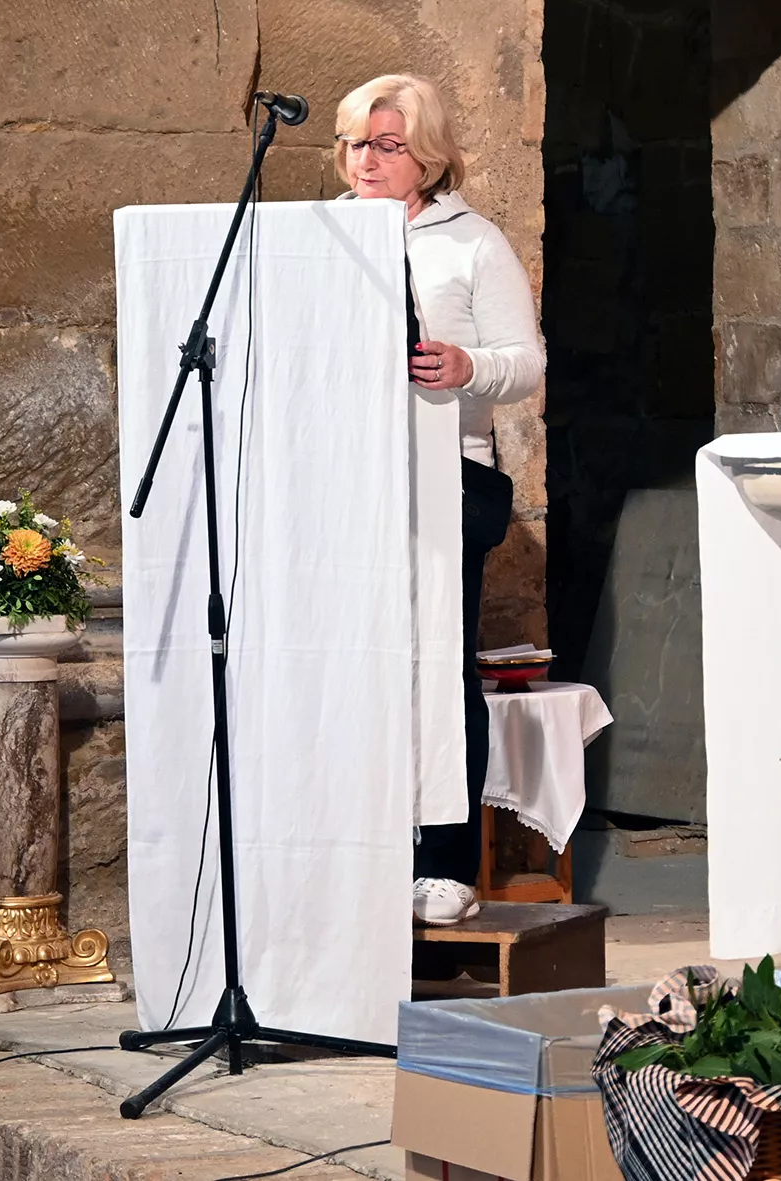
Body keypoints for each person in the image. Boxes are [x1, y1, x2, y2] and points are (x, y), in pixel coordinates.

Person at [334, 75, 545, 926]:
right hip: (346, 477)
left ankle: (446, 859)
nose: (367, 160)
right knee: (356, 666)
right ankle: (360, 845)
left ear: (426, 157)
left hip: (444, 474)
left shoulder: (472, 243)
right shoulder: (328, 240)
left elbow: (526, 362)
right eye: (355, 143)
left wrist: (467, 367)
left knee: (435, 665)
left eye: (387, 145)